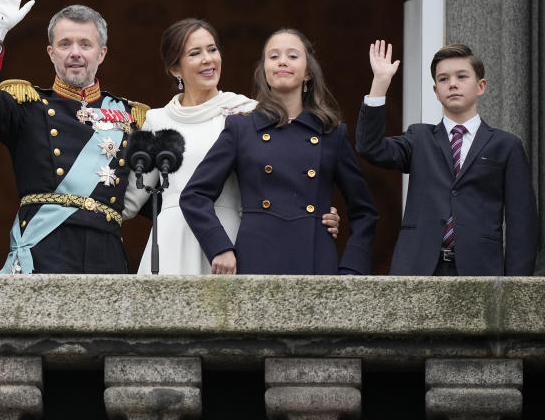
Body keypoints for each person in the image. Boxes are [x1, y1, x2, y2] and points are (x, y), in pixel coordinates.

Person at [0, 0, 147, 274]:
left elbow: (157, 196)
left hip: (106, 255)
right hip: (45, 250)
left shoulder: (130, 117)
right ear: (51, 53)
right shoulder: (28, 107)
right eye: (65, 44)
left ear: (102, 54)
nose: (75, 52)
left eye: (85, 44)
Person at [123, 19, 341, 274]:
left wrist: (317, 212)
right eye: (195, 53)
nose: (208, 59)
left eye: (212, 49)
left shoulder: (249, 113)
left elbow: (285, 174)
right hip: (173, 239)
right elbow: (130, 201)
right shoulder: (156, 120)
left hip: (229, 239)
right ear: (174, 69)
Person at [179, 28, 378, 275]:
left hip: (316, 262)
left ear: (308, 72)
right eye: (273, 56)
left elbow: (365, 212)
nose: (282, 61)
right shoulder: (241, 128)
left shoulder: (331, 134)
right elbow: (194, 195)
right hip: (256, 259)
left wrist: (352, 270)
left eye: (293, 56)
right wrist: (219, 247)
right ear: (265, 70)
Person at [355, 40, 538, 276]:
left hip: (481, 271)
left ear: (481, 86)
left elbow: (522, 222)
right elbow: (370, 147)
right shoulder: (419, 138)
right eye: (443, 79)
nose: (452, 84)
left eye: (462, 77)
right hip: (418, 268)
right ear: (436, 92)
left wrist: (517, 287)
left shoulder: (506, 145)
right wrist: (380, 84)